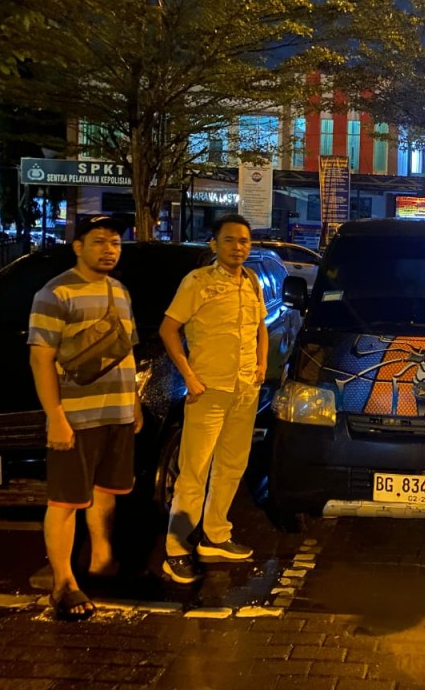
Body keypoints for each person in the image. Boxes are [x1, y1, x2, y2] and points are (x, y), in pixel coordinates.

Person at [28, 215, 142, 621]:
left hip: (116, 412)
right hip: (75, 417)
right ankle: (63, 583)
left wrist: (134, 403)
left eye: (115, 243)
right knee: (65, 500)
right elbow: (40, 359)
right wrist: (55, 416)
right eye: (99, 242)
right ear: (77, 247)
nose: (109, 250)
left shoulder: (119, 290)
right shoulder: (55, 293)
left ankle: (101, 559)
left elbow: (126, 351)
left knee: (105, 490)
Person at [160, 213, 268, 584]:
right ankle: (176, 549)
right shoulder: (198, 282)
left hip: (244, 389)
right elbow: (169, 329)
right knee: (194, 470)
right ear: (214, 244)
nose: (238, 247)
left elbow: (260, 328)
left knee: (232, 465)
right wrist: (189, 376)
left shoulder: (251, 280)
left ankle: (215, 536)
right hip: (208, 389)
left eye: (244, 241)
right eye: (230, 240)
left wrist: (262, 365)